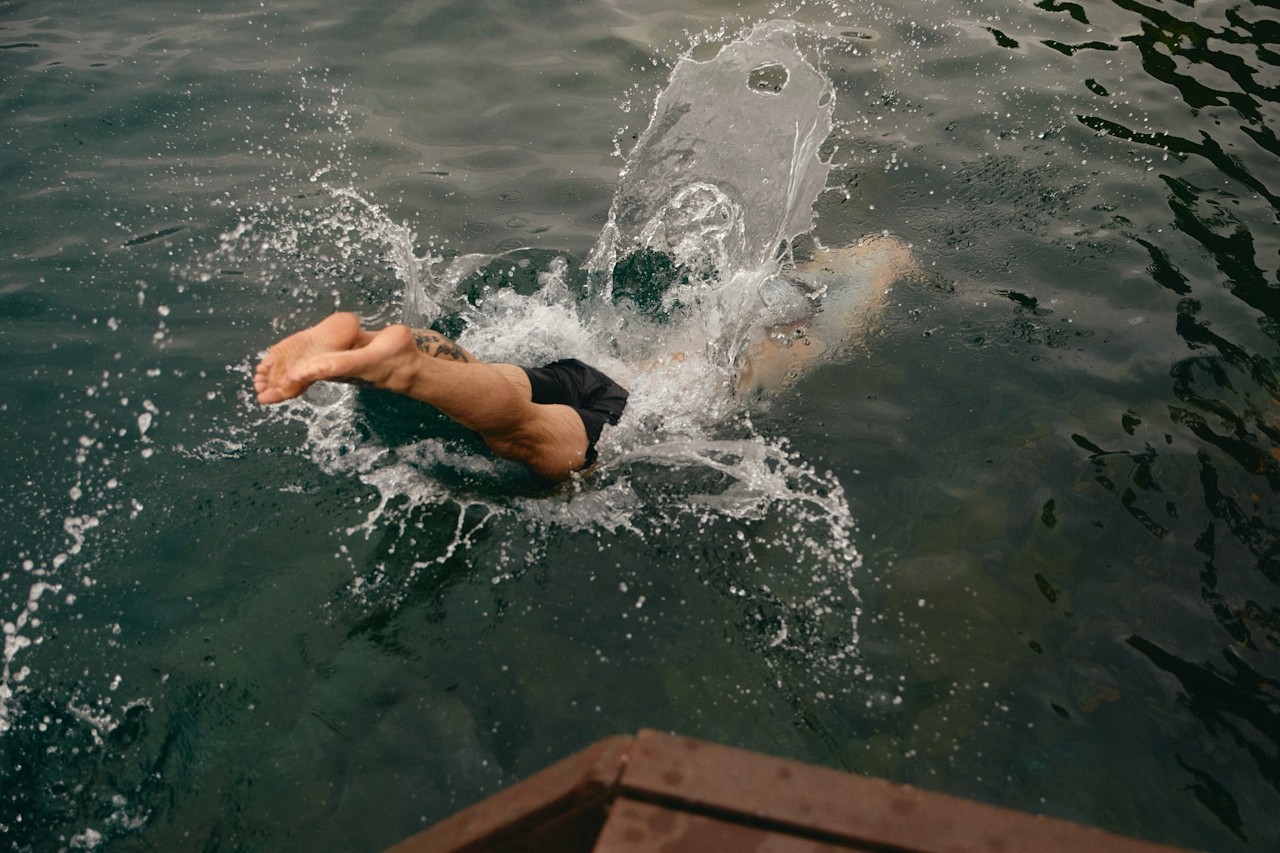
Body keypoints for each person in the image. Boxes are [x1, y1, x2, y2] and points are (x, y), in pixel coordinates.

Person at [253, 312, 628, 482]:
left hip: (579, 374)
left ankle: (363, 342)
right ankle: (406, 368)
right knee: (522, 435)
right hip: (619, 408)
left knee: (490, 375)